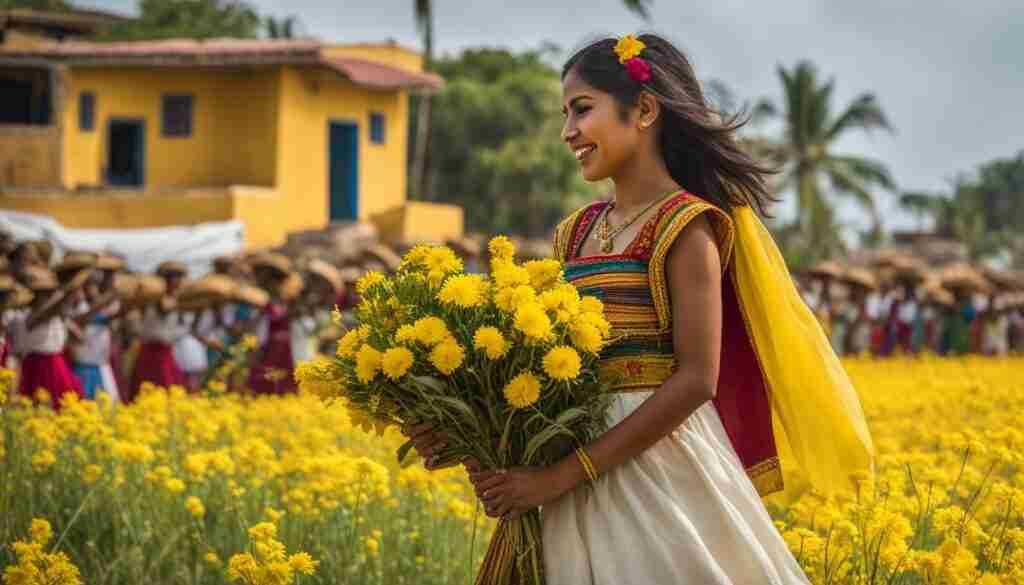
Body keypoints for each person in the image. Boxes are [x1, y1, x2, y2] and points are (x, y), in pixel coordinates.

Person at [402, 34, 874, 585]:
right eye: (565, 114)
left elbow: (697, 379)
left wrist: (562, 476)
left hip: (660, 471)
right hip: (573, 470)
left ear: (645, 110)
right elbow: (543, 370)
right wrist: (461, 429)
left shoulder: (686, 226)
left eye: (582, 109)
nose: (568, 131)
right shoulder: (574, 233)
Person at [9, 266, 84, 409]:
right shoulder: (27, 316)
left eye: (50, 293)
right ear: (36, 295)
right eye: (45, 293)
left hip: (55, 363)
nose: (49, 297)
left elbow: (79, 337)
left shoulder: (56, 315)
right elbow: (48, 311)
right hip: (37, 365)